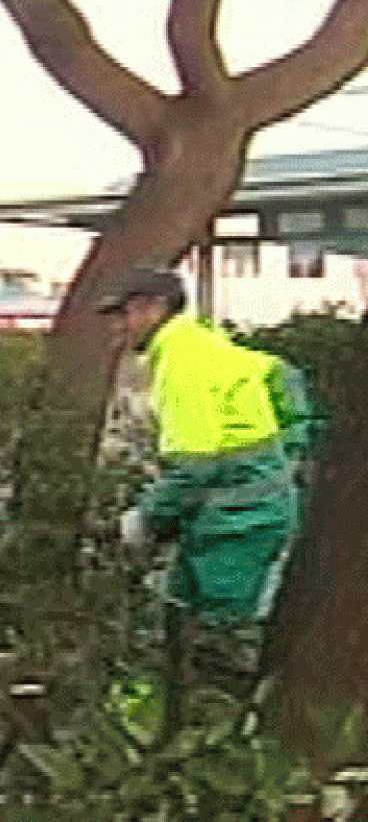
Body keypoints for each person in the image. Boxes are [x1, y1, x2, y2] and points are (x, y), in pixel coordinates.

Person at [103, 267, 307, 690]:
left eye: (123, 316)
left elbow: (194, 467)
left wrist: (145, 518)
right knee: (183, 621)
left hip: (237, 524)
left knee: (218, 644)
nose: (119, 329)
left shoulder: (182, 363)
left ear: (149, 310)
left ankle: (224, 733)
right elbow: (283, 375)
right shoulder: (201, 344)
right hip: (238, 516)